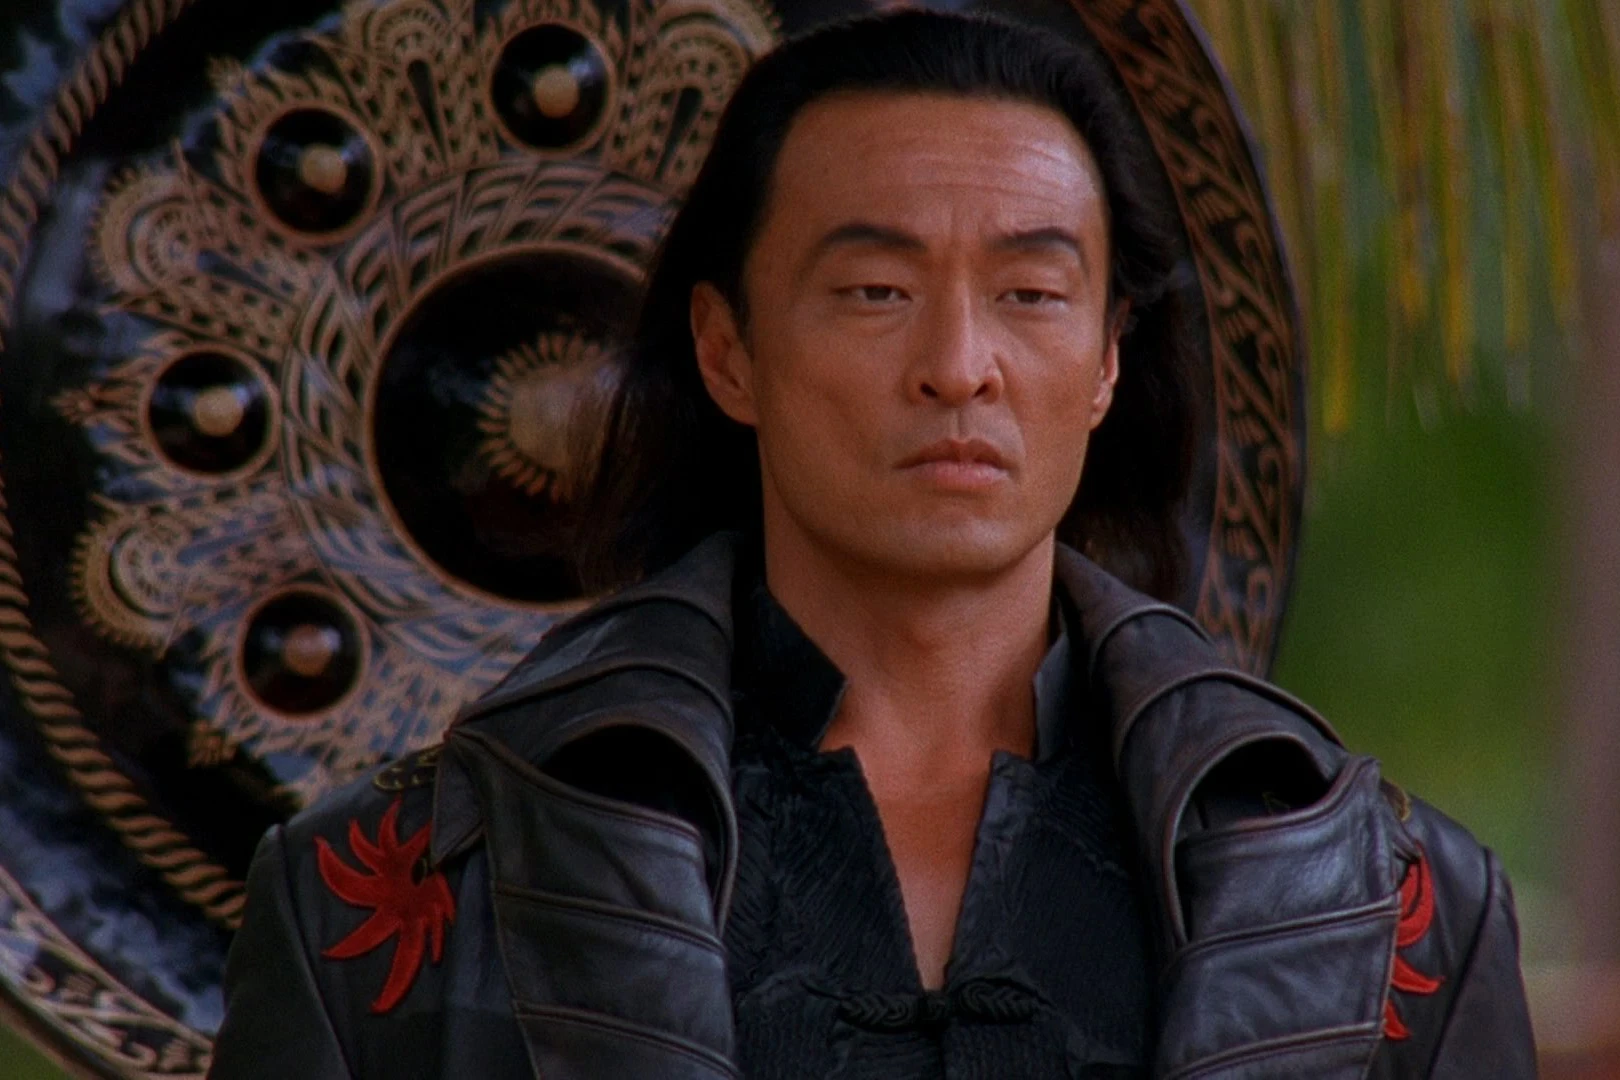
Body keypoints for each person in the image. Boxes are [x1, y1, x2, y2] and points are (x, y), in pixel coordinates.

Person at [208, 10, 1536, 1079]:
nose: (959, 364)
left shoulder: (1381, 905)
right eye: (875, 290)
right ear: (728, 350)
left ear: (1106, 361)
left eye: (1031, 293)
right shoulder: (381, 894)